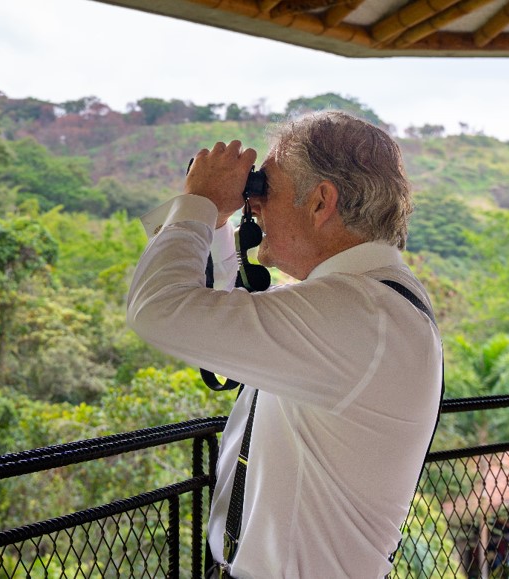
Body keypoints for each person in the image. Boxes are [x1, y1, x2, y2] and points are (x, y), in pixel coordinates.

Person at [126, 111, 442, 578]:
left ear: (320, 202)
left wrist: (197, 202)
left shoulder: (357, 313)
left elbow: (159, 309)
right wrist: (215, 217)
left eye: (263, 189)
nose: (254, 206)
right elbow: (221, 307)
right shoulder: (367, 303)